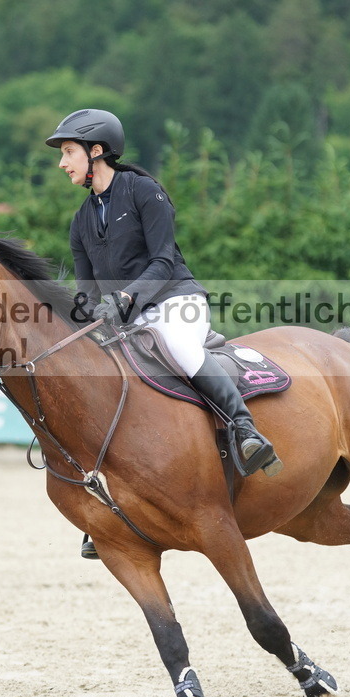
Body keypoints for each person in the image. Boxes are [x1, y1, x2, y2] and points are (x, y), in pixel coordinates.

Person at [46, 108, 283, 558]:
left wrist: (126, 299)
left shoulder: (143, 193)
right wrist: (74, 321)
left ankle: (245, 429)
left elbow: (163, 262)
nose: (63, 162)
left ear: (97, 152)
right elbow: (85, 290)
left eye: (69, 152)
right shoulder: (81, 221)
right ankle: (112, 503)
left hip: (176, 302)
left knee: (176, 344)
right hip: (128, 320)